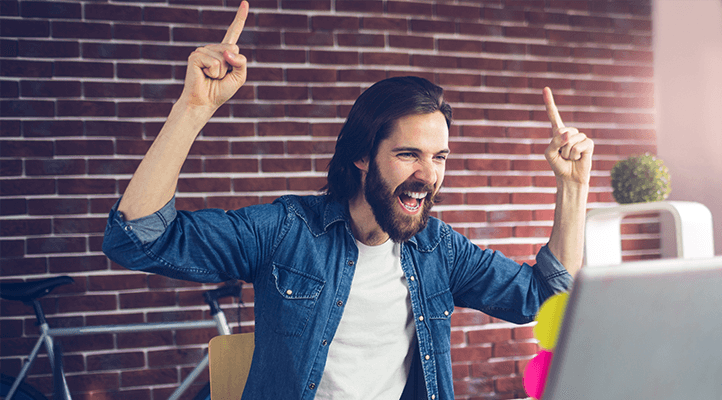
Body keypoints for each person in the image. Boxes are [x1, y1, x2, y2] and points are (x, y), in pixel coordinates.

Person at [102, 2, 594, 399]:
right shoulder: (286, 231)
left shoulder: (438, 249)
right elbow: (139, 239)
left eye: (439, 156)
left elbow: (547, 298)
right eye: (408, 154)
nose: (428, 175)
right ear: (362, 156)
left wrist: (571, 187)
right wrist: (191, 111)